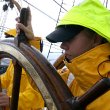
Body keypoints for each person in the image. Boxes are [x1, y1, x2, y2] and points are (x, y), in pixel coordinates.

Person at [46, 0, 110, 109]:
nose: (62, 46)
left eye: (69, 38)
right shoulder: (71, 76)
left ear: (96, 39)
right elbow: (39, 81)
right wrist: (30, 42)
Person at [0, 0, 44, 110]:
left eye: (12, 38)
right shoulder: (13, 62)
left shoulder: (30, 65)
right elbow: (4, 80)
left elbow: (38, 96)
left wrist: (11, 100)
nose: (11, 43)